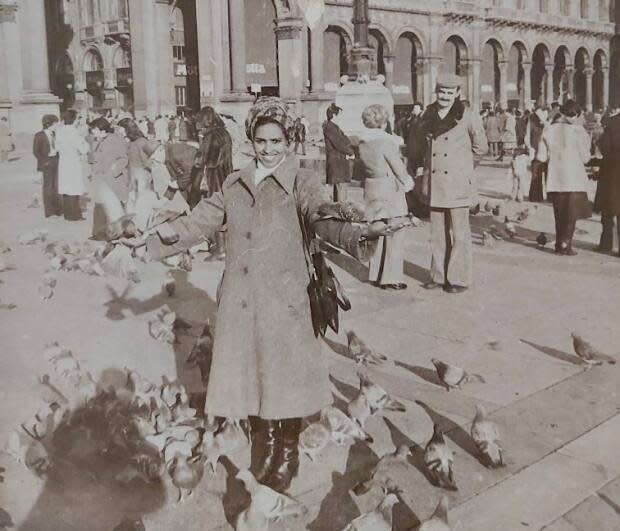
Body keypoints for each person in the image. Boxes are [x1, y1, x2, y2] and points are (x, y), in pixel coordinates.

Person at [138, 96, 392, 494]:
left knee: (284, 379)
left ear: (289, 140)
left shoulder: (301, 180)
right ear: (251, 140)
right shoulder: (235, 181)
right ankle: (266, 442)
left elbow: (321, 215)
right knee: (254, 375)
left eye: (276, 140)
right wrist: (150, 242)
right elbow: (199, 220)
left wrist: (358, 230)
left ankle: (286, 448)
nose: (269, 148)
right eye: (261, 140)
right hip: (242, 299)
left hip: (285, 300)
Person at [417, 73, 488, 293]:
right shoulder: (428, 115)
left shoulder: (468, 115)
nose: (445, 96)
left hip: (457, 182)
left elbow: (481, 148)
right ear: (436, 92)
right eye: (442, 92)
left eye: (450, 93)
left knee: (460, 233)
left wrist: (464, 168)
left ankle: (457, 278)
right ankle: (438, 276)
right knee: (436, 234)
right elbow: (420, 146)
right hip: (435, 182)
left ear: (457, 94)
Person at [357, 104, 414, 290]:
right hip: (389, 188)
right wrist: (408, 181)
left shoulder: (363, 143)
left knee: (377, 230)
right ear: (383, 121)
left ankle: (375, 273)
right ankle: (391, 278)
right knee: (396, 231)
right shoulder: (386, 142)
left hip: (372, 187)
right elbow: (397, 166)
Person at [536, 100, 591, 256]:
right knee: (571, 214)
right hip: (574, 178)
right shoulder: (579, 132)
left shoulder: (549, 130)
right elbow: (585, 158)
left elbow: (541, 156)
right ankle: (566, 243)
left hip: (555, 178)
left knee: (559, 213)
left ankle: (559, 243)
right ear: (577, 115)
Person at [89, 117, 130, 239]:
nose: (92, 132)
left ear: (102, 130)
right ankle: (99, 234)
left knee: (113, 208)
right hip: (102, 180)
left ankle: (118, 234)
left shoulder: (114, 141)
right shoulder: (99, 141)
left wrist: (114, 170)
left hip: (113, 181)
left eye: (94, 129)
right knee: (101, 207)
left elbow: (123, 159)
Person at [56, 110, 90, 221]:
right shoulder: (74, 132)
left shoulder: (59, 131)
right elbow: (83, 149)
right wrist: (86, 142)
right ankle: (75, 215)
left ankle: (68, 214)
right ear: (74, 119)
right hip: (73, 162)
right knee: (74, 188)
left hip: (63, 162)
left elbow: (56, 147)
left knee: (66, 188)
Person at [595, 106, 620, 255]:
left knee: (608, 210)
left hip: (612, 170)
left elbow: (604, 146)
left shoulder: (612, 122)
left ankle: (605, 244)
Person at [323, 103, 354, 201]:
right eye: (340, 115)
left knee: (340, 187)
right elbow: (339, 143)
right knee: (341, 187)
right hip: (337, 161)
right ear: (334, 115)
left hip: (338, 160)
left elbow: (345, 140)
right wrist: (350, 152)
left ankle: (339, 211)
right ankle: (342, 211)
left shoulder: (334, 127)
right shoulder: (331, 127)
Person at [33, 114, 62, 217]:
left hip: (56, 160)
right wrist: (45, 161)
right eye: (55, 123)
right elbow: (36, 151)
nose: (57, 125)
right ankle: (49, 212)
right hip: (47, 163)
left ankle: (57, 210)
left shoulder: (54, 134)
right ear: (49, 124)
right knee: (48, 187)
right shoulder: (39, 135)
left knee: (56, 186)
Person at [526, 106, 548, 202]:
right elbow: (527, 137)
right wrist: (530, 148)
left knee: (549, 175)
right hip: (535, 152)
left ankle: (551, 196)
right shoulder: (531, 123)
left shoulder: (548, 125)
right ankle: (535, 196)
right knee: (535, 175)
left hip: (548, 152)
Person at [404, 102, 424, 176]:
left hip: (418, 147)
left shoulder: (421, 119)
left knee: (417, 165)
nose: (414, 110)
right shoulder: (412, 119)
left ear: (420, 109)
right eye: (414, 108)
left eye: (416, 108)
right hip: (412, 146)